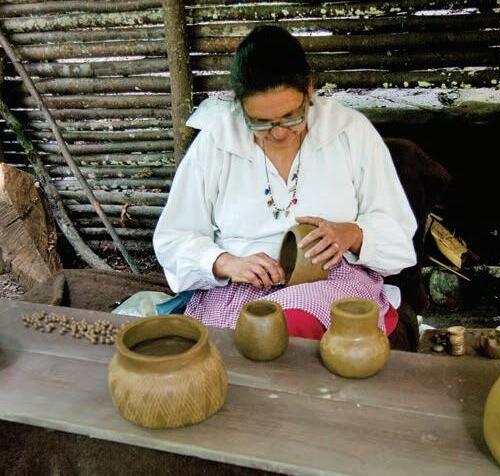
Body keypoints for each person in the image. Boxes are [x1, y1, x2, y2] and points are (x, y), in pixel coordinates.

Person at [153, 25, 417, 341]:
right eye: (261, 122)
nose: (279, 133)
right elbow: (174, 238)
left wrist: (352, 234)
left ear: (309, 91)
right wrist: (225, 263)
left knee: (283, 328)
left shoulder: (349, 132)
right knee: (236, 338)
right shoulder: (216, 143)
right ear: (240, 106)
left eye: (292, 116)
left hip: (329, 282)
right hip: (240, 287)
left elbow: (397, 230)